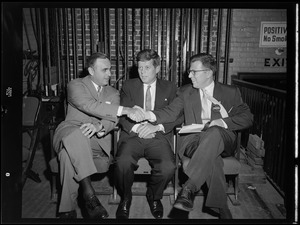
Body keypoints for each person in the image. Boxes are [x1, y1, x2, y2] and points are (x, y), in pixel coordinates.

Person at [134, 53, 253, 219]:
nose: (189, 75)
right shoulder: (185, 92)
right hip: (192, 141)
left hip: (223, 140)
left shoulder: (230, 92)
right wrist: (149, 115)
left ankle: (189, 187)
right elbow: (171, 112)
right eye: (189, 71)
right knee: (213, 158)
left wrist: (223, 123)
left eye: (193, 72)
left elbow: (247, 117)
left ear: (209, 73)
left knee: (214, 132)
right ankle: (221, 207)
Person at [52, 52, 144, 219]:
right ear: (91, 71)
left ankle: (67, 210)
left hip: (95, 141)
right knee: (76, 136)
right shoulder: (75, 85)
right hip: (69, 131)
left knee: (67, 155)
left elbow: (113, 118)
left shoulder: (113, 93)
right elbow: (89, 105)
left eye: (110, 69)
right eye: (104, 70)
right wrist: (127, 110)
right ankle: (90, 195)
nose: (110, 74)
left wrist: (99, 125)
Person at [114, 49, 184, 219]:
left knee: (168, 167)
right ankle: (126, 198)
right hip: (133, 135)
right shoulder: (128, 86)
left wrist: (157, 127)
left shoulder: (170, 87)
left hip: (158, 136)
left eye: (147, 67)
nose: (142, 72)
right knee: (122, 163)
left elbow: (178, 116)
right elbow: (121, 115)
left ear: (157, 68)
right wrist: (138, 129)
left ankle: (154, 196)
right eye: (139, 67)